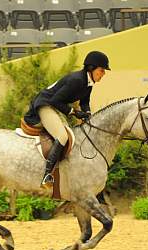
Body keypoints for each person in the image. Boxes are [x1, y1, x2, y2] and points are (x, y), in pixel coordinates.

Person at [22, 50, 110, 188]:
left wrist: (87, 114)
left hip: (54, 105)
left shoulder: (88, 83)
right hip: (45, 104)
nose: (103, 74)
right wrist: (74, 113)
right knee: (62, 136)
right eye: (102, 70)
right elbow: (56, 100)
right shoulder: (77, 80)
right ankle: (47, 175)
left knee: (72, 134)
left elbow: (84, 102)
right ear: (91, 68)